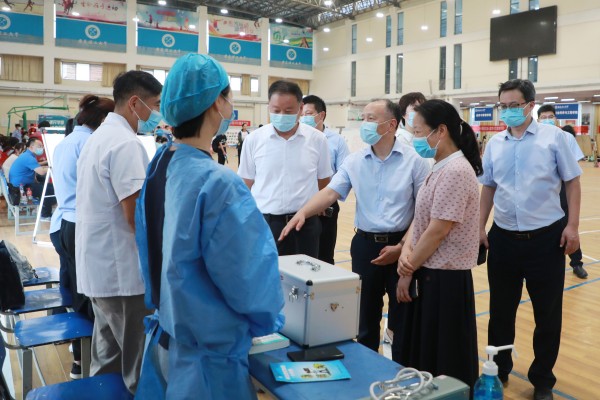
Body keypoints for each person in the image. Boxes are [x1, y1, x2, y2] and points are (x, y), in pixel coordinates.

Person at [134, 53, 284, 400]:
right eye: (228, 97)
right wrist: (268, 320)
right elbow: (248, 277)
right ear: (217, 102)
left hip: (167, 337)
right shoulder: (218, 183)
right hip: (208, 360)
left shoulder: (161, 164)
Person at [280, 99, 429, 353]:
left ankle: (402, 370)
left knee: (403, 317)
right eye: (363, 118)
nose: (364, 124)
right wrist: (303, 212)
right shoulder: (355, 161)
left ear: (391, 124)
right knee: (365, 319)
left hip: (402, 247)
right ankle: (367, 367)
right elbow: (330, 192)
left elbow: (423, 211)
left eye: (371, 119)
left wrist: (403, 246)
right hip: (365, 246)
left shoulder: (414, 161)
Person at [479, 79, 582, 400]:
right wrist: (480, 226)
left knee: (547, 314)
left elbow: (572, 183)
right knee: (500, 312)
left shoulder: (555, 139)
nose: (508, 111)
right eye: (503, 106)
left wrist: (573, 226)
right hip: (503, 239)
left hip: (546, 239)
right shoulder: (495, 144)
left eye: (515, 105)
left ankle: (542, 380)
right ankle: (499, 369)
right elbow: (488, 187)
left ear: (530, 105)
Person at [76, 71, 162, 394]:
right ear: (136, 103)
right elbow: (135, 217)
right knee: (137, 368)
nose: (158, 114)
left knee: (107, 361)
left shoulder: (99, 137)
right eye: (156, 105)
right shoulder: (125, 144)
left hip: (100, 271)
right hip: (123, 276)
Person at [393, 99, 482, 392]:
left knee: (444, 357)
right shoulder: (439, 167)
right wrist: (407, 251)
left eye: (419, 132)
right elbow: (422, 221)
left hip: (445, 278)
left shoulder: (455, 171)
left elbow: (437, 231)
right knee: (425, 352)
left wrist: (407, 269)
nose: (415, 139)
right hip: (430, 271)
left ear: (440, 131)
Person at [52, 95, 115, 379]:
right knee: (91, 296)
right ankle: (83, 359)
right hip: (82, 224)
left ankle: (78, 353)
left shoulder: (66, 142)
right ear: (102, 120)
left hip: (65, 223)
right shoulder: (91, 143)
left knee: (77, 291)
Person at [238, 80, 332, 258]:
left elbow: (324, 181)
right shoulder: (254, 140)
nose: (282, 115)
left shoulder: (317, 140)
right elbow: (245, 183)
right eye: (276, 110)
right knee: (266, 272)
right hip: (265, 223)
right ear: (269, 107)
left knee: (305, 273)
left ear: (300, 108)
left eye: (288, 111)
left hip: (305, 224)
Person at [537, 104, 587, 279]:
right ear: (538, 119)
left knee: (568, 225)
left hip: (563, 189)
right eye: (543, 117)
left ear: (556, 118)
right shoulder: (533, 139)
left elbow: (573, 169)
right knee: (543, 229)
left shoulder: (566, 137)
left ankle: (577, 262)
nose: (547, 120)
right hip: (543, 190)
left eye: (550, 116)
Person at [300, 95, 350, 266]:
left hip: (327, 205)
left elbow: (344, 172)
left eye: (308, 114)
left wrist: (325, 199)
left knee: (325, 256)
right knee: (302, 255)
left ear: (321, 115)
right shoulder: (297, 138)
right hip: (302, 203)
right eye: (302, 114)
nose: (303, 118)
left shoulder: (337, 141)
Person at [8, 137, 55, 218]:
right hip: (20, 189)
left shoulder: (27, 155)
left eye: (42, 146)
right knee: (49, 190)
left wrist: (48, 165)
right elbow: (41, 171)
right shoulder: (28, 157)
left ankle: (44, 210)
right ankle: (45, 215)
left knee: (50, 186)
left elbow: (36, 166)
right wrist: (54, 168)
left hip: (20, 186)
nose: (42, 148)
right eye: (39, 146)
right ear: (31, 146)